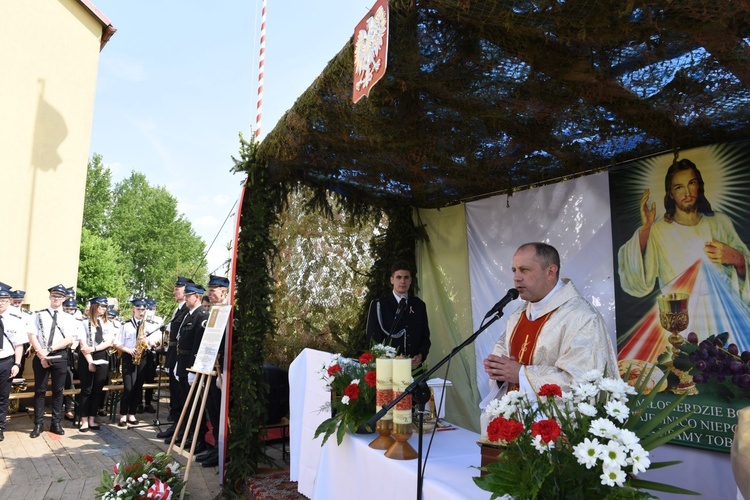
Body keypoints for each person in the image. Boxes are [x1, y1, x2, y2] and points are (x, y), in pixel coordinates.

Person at [483, 243, 618, 401]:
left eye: (524, 270)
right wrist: (498, 371)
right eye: (514, 270)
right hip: (514, 420)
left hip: (555, 424)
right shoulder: (518, 316)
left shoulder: (582, 317)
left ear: (550, 272)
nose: (516, 277)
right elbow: (502, 355)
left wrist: (521, 374)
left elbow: (583, 382)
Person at [618, 158, 750, 299]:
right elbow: (635, 283)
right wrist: (646, 229)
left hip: (723, 314)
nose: (687, 193)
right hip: (681, 315)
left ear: (699, 185)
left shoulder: (720, 222)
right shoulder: (658, 231)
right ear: (670, 193)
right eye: (679, 187)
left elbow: (744, 270)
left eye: (691, 183)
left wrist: (737, 259)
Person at [28, 284, 79, 438]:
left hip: (59, 356)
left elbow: (69, 339)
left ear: (64, 299)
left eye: (60, 296)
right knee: (40, 391)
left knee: (58, 391)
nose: (57, 299)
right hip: (40, 356)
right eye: (54, 296)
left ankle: (55, 423)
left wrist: (48, 350)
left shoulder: (69, 317)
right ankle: (38, 424)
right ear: (50, 297)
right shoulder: (38, 315)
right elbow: (32, 335)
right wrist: (41, 354)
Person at [366, 260, 431, 367]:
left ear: (410, 280)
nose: (402, 281)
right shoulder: (379, 305)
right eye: (399, 277)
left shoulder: (419, 305)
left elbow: (425, 337)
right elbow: (372, 339)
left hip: (414, 368)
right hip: (388, 369)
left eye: (406, 277)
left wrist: (420, 355)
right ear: (392, 280)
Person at [171, 282, 209, 452]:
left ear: (198, 297)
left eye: (188, 295)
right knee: (184, 400)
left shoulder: (202, 315)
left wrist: (194, 368)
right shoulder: (189, 314)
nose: (185, 298)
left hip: (191, 364)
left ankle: (199, 437)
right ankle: (191, 434)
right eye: (185, 295)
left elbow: (198, 345)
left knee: (194, 402)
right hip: (183, 361)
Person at [197, 274, 229, 467]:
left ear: (223, 291)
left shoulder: (228, 312)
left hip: (222, 370)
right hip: (210, 368)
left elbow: (229, 343)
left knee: (220, 411)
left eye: (213, 290)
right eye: (209, 290)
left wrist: (225, 369)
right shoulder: (214, 312)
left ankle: (223, 451)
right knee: (212, 410)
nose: (210, 293)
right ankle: (216, 448)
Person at [76, 296, 114, 431]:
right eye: (101, 306)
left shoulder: (107, 324)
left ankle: (92, 418)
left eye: (105, 307)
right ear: (94, 307)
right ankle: (84, 419)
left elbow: (109, 342)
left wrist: (95, 349)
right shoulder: (83, 323)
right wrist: (90, 361)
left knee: (97, 389)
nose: (104, 309)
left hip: (101, 354)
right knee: (86, 389)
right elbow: (83, 344)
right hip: (87, 356)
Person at [114, 298, 149, 427]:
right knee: (129, 387)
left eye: (143, 309)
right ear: (133, 309)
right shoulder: (126, 325)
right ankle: (123, 414)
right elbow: (116, 343)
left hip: (143, 356)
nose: (141, 312)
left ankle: (132, 414)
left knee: (138, 387)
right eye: (139, 309)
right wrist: (128, 350)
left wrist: (148, 342)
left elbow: (154, 342)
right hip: (129, 356)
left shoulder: (148, 325)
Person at [0, 284, 26, 441]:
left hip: (6, 362)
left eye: (4, 300)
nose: (1, 303)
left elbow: (19, 345)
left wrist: (17, 364)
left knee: (2, 397)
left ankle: (0, 427)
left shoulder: (15, 320)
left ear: (9, 301)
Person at [137, 298, 163, 414]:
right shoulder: (141, 319)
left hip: (154, 352)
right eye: (149, 308)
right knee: (139, 378)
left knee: (150, 378)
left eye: (153, 308)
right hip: (143, 351)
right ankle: (138, 403)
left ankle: (148, 402)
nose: (151, 310)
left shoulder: (158, 320)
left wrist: (159, 343)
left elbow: (162, 334)